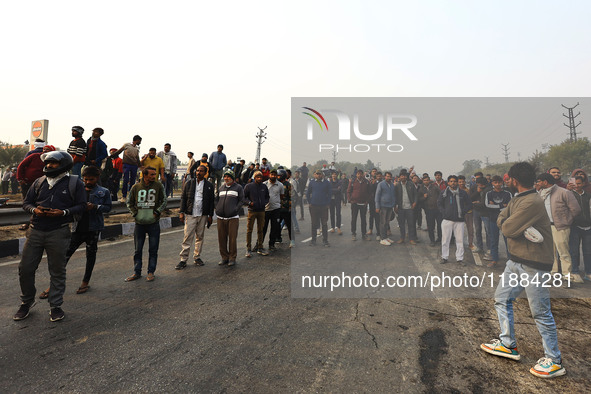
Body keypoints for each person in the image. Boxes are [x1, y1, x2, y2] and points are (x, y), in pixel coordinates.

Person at [480, 162, 566, 378]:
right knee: (501, 299)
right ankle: (507, 344)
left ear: (513, 180)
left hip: (534, 265)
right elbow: (502, 217)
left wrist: (511, 224)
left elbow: (507, 227)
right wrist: (512, 224)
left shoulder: (532, 202)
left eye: (508, 178)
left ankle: (554, 360)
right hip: (515, 261)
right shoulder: (516, 198)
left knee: (540, 311)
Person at [13, 151, 86, 322]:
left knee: (57, 271)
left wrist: (63, 212)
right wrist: (35, 210)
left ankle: (56, 306)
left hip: (59, 232)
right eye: (48, 163)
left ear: (64, 165)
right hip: (35, 231)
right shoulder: (39, 182)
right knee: (25, 269)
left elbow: (82, 205)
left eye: (53, 163)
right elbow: (27, 203)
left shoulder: (75, 183)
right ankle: (26, 302)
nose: (49, 166)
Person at [38, 166, 112, 298]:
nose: (88, 181)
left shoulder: (103, 191)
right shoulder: (77, 190)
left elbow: (108, 208)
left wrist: (95, 207)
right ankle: (53, 285)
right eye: (86, 179)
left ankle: (85, 282)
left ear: (97, 178)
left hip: (93, 229)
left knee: (90, 256)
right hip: (77, 228)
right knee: (64, 257)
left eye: (91, 179)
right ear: (82, 178)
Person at [125, 166, 167, 282]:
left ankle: (150, 272)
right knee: (138, 250)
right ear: (145, 175)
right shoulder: (136, 187)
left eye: (155, 174)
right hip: (139, 224)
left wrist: (157, 212)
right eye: (152, 174)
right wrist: (135, 214)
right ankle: (136, 272)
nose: (155, 176)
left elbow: (164, 200)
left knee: (153, 249)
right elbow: (129, 202)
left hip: (154, 223)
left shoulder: (158, 186)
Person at [536, 173, 580, 279]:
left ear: (545, 182)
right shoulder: (541, 193)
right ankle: (554, 273)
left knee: (563, 252)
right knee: (551, 252)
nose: (537, 183)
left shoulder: (564, 192)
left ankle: (567, 276)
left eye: (539, 181)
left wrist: (566, 221)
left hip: (560, 228)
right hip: (547, 228)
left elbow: (576, 209)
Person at [177, 165, 215, 269]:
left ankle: (197, 257)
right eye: (197, 171)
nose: (198, 173)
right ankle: (183, 259)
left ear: (205, 173)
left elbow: (212, 202)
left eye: (201, 171)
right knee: (187, 237)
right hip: (190, 214)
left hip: (202, 215)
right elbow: (183, 198)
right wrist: (181, 212)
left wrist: (210, 215)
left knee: (200, 237)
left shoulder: (209, 185)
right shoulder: (189, 183)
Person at [437, 175, 471, 264]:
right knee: (445, 240)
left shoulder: (463, 193)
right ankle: (444, 257)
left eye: (455, 181)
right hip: (447, 220)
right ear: (448, 183)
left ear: (457, 182)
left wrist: (462, 212)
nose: (453, 183)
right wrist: (444, 212)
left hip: (459, 220)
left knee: (459, 240)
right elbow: (439, 204)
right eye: (451, 181)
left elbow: (469, 204)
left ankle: (459, 258)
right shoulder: (444, 193)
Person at [215, 170, 244, 266]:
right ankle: (224, 257)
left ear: (232, 178)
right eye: (225, 176)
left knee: (232, 239)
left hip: (233, 218)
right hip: (220, 218)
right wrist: (217, 208)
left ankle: (232, 258)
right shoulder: (221, 188)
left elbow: (241, 200)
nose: (226, 178)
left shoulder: (238, 188)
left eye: (228, 177)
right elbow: (216, 200)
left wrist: (235, 209)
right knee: (221, 239)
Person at [485, 175, 513, 268]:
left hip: (505, 220)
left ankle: (510, 260)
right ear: (492, 183)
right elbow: (488, 206)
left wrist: (496, 205)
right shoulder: (489, 194)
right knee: (494, 240)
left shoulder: (507, 193)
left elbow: (510, 206)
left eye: (499, 182)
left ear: (502, 182)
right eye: (495, 182)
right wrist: (501, 205)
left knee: (508, 241)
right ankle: (494, 259)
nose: (497, 184)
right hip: (493, 219)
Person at [569, 175, 591, 282]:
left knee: (588, 252)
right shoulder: (569, 195)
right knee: (574, 251)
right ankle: (575, 271)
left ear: (583, 184)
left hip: (588, 227)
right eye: (575, 183)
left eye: (579, 183)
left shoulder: (588, 195)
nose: (577, 186)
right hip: (575, 227)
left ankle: (588, 273)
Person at [244, 171, 270, 257]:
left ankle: (260, 247)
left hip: (262, 211)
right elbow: (243, 198)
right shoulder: (249, 186)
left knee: (260, 230)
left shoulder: (264, 186)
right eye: (257, 177)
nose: (259, 178)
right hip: (252, 211)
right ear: (254, 178)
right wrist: (249, 203)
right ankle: (248, 249)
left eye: (260, 177)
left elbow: (267, 197)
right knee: (249, 230)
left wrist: (264, 203)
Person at [110, 135, 142, 202]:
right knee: (126, 179)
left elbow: (137, 158)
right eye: (140, 141)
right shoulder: (127, 145)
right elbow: (119, 151)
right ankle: (124, 196)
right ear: (137, 140)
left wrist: (140, 165)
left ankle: (131, 196)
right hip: (126, 164)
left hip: (134, 165)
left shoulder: (137, 148)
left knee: (132, 181)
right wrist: (111, 156)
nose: (140, 142)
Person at [306, 169, 330, 246]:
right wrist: (310, 202)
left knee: (324, 224)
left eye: (320, 174)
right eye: (317, 174)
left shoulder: (327, 183)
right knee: (314, 224)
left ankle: (325, 241)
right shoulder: (312, 182)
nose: (318, 175)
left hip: (323, 206)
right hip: (314, 206)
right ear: (314, 175)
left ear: (322, 175)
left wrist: (327, 203)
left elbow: (329, 194)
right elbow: (308, 193)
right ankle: (313, 240)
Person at [394, 171, 418, 244]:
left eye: (404, 176)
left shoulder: (411, 184)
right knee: (401, 224)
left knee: (411, 224)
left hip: (410, 208)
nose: (403, 177)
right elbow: (395, 196)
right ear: (399, 177)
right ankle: (402, 238)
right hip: (401, 208)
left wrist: (414, 203)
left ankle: (411, 239)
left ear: (406, 177)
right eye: (402, 176)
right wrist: (395, 206)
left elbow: (415, 195)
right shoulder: (397, 185)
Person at [263, 170, 284, 251]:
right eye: (272, 174)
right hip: (265, 209)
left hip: (276, 209)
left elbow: (281, 196)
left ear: (277, 175)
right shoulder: (264, 184)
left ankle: (271, 244)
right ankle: (259, 244)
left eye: (275, 175)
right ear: (269, 175)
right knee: (263, 228)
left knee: (274, 228)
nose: (273, 176)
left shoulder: (280, 185)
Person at [348, 169, 370, 241]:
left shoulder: (366, 182)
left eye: (361, 174)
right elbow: (348, 191)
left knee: (363, 220)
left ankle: (364, 234)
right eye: (358, 174)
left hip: (363, 204)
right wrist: (350, 200)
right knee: (354, 219)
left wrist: (367, 201)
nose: (359, 175)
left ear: (363, 174)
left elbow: (369, 192)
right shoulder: (352, 182)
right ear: (356, 174)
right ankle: (353, 234)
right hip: (354, 203)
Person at [375, 171, 396, 246]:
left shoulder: (392, 185)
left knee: (387, 222)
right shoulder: (381, 184)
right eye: (387, 176)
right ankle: (382, 238)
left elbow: (393, 195)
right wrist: (377, 206)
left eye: (390, 176)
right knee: (383, 222)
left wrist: (394, 205)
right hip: (383, 206)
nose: (389, 178)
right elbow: (377, 196)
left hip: (390, 206)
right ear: (384, 177)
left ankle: (386, 237)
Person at [423, 175, 441, 246]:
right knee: (430, 226)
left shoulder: (435, 187)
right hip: (429, 210)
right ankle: (432, 240)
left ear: (429, 180)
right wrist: (423, 197)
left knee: (440, 225)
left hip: (437, 209)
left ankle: (440, 238)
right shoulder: (422, 189)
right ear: (423, 181)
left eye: (427, 180)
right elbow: (419, 198)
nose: (426, 181)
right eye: (424, 180)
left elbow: (441, 195)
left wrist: (439, 203)